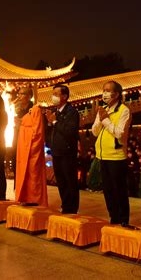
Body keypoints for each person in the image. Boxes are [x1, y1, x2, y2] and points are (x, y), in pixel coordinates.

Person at [92, 81, 131, 225]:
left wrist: (106, 120)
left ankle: (123, 220)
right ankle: (113, 218)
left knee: (119, 190)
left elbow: (120, 133)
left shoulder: (123, 110)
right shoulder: (103, 109)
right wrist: (100, 119)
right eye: (104, 90)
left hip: (116, 156)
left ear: (117, 94)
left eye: (108, 91)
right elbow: (95, 132)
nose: (105, 93)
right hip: (102, 155)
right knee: (108, 191)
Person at [45, 84, 80, 214]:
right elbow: (50, 133)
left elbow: (69, 132)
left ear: (64, 96)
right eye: (53, 94)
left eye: (56, 94)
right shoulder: (56, 112)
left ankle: (72, 209)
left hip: (67, 152)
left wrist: (55, 122)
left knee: (70, 181)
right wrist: (49, 123)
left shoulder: (72, 112)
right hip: (56, 151)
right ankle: (65, 206)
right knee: (61, 181)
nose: (53, 97)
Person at [15, 87, 48, 206]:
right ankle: (24, 197)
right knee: (23, 172)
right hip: (22, 147)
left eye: (22, 93)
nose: (19, 96)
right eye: (18, 93)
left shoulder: (35, 110)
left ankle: (35, 199)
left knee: (32, 174)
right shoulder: (19, 110)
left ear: (29, 96)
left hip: (31, 147)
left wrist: (32, 148)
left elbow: (38, 131)